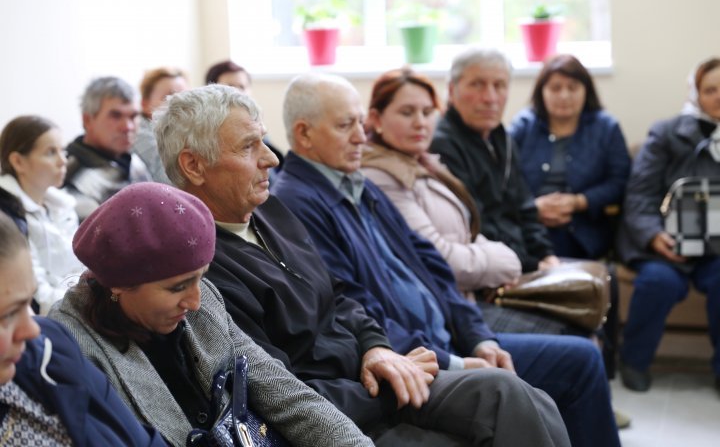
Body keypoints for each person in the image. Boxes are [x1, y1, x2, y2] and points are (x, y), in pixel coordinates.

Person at [155, 84, 571, 447]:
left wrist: (376, 348)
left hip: (376, 375)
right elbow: (276, 393)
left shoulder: (270, 211)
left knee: (517, 395)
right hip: (341, 416)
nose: (272, 159)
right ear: (194, 165)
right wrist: (386, 383)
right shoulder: (201, 267)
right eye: (249, 147)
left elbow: (340, 294)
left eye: (264, 141)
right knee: (502, 416)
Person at [272, 72, 620, 447]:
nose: (361, 135)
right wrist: (452, 360)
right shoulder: (297, 203)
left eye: (360, 121)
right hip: (416, 356)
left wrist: (479, 339)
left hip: (449, 337)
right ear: (304, 134)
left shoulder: (358, 183)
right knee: (530, 389)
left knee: (572, 368)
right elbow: (351, 306)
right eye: (346, 126)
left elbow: (433, 269)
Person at [47, 182, 372, 447]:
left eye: (201, 277)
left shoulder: (203, 307)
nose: (196, 301)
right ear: (118, 284)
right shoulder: (74, 350)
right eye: (177, 288)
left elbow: (287, 397)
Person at [0, 211, 168, 446]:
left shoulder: (50, 345)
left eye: (28, 304)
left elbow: (142, 440)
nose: (32, 330)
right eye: (7, 315)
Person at [361, 68, 522, 299]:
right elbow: (439, 259)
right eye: (407, 113)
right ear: (376, 119)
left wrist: (496, 266)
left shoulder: (424, 163)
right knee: (569, 333)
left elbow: (467, 234)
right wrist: (508, 263)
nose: (420, 123)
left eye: (427, 112)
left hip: (470, 297)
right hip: (445, 314)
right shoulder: (381, 178)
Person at [616, 57, 720, 392]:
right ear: (696, 94)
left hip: (716, 251)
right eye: (711, 90)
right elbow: (639, 195)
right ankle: (634, 361)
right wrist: (653, 236)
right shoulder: (666, 133)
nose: (719, 97)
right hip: (665, 244)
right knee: (657, 282)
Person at [430, 48, 559, 274]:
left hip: (522, 260)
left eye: (499, 86)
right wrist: (531, 264)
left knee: (607, 283)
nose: (490, 98)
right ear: (452, 91)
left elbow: (525, 207)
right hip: (487, 267)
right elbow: (475, 222)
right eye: (477, 85)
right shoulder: (442, 145)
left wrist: (546, 255)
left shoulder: (503, 138)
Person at [509, 54, 631, 259]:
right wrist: (533, 208)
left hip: (582, 227)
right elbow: (503, 178)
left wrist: (578, 202)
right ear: (542, 92)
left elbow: (620, 181)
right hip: (527, 222)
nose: (564, 95)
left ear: (586, 91)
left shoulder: (606, 128)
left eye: (573, 87)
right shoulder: (523, 125)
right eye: (555, 88)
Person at [0, 115, 83, 314]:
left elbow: (82, 267)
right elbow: (39, 298)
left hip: (78, 303)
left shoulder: (62, 206)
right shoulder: (8, 217)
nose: (63, 161)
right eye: (50, 152)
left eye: (62, 151)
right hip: (50, 317)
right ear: (18, 162)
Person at [63, 76, 151, 221]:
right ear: (88, 120)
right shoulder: (70, 174)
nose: (127, 127)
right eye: (116, 116)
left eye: (133, 116)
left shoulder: (133, 161)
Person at [205, 59, 285, 174]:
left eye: (242, 87)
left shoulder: (258, 127)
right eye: (230, 87)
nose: (238, 93)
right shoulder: (209, 136)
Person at [134, 67, 190, 183]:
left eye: (185, 97)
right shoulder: (138, 134)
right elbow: (172, 183)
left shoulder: (183, 134)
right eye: (168, 97)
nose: (180, 105)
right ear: (144, 104)